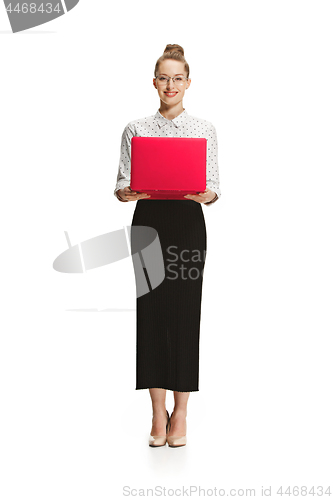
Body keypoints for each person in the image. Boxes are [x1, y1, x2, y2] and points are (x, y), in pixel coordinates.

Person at [114, 44, 221, 447]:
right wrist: (129, 191)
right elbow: (121, 185)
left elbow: (214, 189)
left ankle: (182, 414)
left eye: (178, 78)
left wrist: (203, 194)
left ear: (188, 83)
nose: (171, 84)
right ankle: (157, 414)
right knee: (153, 313)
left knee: (185, 315)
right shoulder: (136, 128)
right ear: (154, 82)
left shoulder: (205, 129)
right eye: (164, 77)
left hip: (189, 225)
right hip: (148, 224)